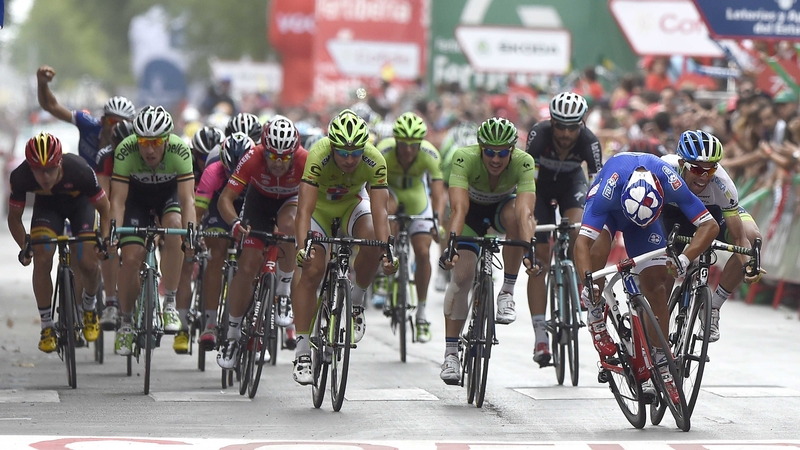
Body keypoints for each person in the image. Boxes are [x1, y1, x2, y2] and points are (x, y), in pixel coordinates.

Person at [575, 151, 719, 403]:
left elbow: (710, 226)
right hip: (610, 213)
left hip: (646, 216)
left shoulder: (670, 182)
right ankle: (595, 314)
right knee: (597, 249)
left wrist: (685, 258)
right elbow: (582, 243)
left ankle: (662, 361)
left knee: (657, 288)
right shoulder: (607, 192)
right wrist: (587, 283)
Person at [291, 109, 396, 385]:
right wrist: (303, 248)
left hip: (352, 205)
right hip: (320, 210)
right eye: (343, 153)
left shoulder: (374, 159)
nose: (350, 160)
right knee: (312, 270)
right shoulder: (318, 154)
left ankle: (356, 303)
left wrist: (387, 250)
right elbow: (304, 210)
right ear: (332, 147)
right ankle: (302, 352)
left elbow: (380, 211)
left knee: (372, 240)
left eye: (355, 153)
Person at [438, 117, 539, 385]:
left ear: (512, 151)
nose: (496, 159)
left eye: (503, 153)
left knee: (516, 216)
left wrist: (530, 249)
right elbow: (458, 209)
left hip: (501, 212)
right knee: (462, 278)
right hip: (469, 215)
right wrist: (451, 245)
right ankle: (451, 353)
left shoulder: (524, 162)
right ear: (480, 148)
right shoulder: (464, 157)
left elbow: (525, 212)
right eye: (490, 152)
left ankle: (506, 292)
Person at [216, 118, 307, 368]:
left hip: (290, 202)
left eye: (284, 158)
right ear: (263, 150)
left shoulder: (304, 160)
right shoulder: (252, 157)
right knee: (247, 266)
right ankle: (232, 335)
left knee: (289, 226)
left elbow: (316, 200)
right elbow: (225, 199)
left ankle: (283, 294)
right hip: (258, 203)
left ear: (294, 153)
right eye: (272, 156)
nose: (278, 163)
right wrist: (235, 223)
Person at [107, 106, 197, 356]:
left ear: (167, 140)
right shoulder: (125, 150)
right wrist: (113, 233)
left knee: (175, 227)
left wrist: (191, 235)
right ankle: (126, 323)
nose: (149, 149)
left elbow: (187, 200)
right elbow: (118, 201)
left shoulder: (180, 150)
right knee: (131, 258)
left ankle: (170, 302)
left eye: (156, 142)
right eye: (144, 142)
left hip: (168, 197)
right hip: (136, 200)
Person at [9, 133, 110, 352]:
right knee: (42, 259)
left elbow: (104, 208)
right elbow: (14, 218)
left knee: (88, 263)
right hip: (47, 209)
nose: (45, 176)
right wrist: (24, 245)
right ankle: (47, 326)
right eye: (38, 170)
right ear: (30, 167)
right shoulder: (20, 176)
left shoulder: (80, 170)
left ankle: (90, 307)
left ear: (60, 163)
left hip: (80, 206)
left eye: (50, 169)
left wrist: (104, 239)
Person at [661, 130, 764, 342]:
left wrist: (748, 264)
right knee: (663, 282)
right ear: (681, 163)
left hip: (713, 215)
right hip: (673, 216)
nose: (704, 176)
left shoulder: (723, 184)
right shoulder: (664, 170)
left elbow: (739, 238)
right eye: (697, 169)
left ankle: (713, 308)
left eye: (711, 169)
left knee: (752, 237)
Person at [525, 92, 603, 366]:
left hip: (573, 186)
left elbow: (597, 190)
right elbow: (528, 185)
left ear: (582, 124)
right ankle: (540, 337)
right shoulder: (539, 135)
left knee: (578, 230)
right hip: (541, 189)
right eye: (561, 126)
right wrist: (529, 219)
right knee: (540, 261)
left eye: (573, 127)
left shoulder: (589, 141)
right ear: (552, 122)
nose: (567, 133)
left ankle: (578, 282)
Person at [374, 112, 446, 343]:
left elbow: (438, 193)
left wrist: (437, 221)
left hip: (417, 198)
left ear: (420, 143)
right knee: (387, 213)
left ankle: (422, 315)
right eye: (403, 144)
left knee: (423, 252)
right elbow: (371, 186)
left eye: (413, 145)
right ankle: (384, 265)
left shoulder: (429, 153)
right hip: (391, 194)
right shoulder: (383, 150)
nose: (407, 150)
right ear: (395, 140)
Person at [191, 132, 255, 355]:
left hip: (249, 203)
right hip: (219, 204)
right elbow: (198, 211)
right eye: (230, 172)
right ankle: (210, 323)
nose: (234, 177)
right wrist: (193, 233)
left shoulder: (258, 167)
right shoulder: (213, 170)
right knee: (216, 253)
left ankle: (252, 317)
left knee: (252, 255)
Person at [36, 65, 136, 169]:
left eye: (121, 124)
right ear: (102, 120)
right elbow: (51, 106)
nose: (115, 127)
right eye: (111, 121)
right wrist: (42, 84)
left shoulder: (132, 146)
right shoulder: (88, 125)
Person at [95, 121, 134, 329]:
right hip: (113, 203)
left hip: (135, 204)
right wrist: (108, 231)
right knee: (109, 245)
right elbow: (105, 199)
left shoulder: (140, 155)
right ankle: (110, 302)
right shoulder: (105, 157)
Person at [434, 121, 478, 292]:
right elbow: (444, 188)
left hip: (477, 187)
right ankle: (443, 264)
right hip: (453, 182)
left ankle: (483, 259)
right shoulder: (452, 157)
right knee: (448, 214)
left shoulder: (483, 157)